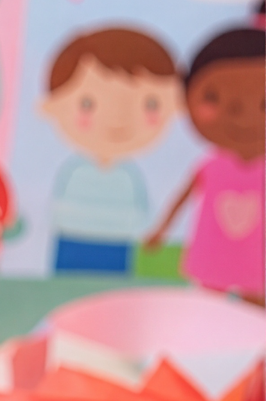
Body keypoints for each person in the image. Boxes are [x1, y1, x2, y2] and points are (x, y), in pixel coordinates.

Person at [146, 3, 265, 303]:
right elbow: (182, 197)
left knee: (255, 302)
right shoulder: (211, 166)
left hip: (256, 257)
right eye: (215, 99)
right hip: (214, 254)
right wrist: (160, 230)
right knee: (208, 304)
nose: (244, 118)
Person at [41, 27, 181, 275]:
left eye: (149, 104)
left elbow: (141, 212)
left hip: (117, 246)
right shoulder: (74, 171)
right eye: (87, 104)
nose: (118, 118)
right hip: (72, 243)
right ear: (53, 106)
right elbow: (56, 209)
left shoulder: (128, 175)